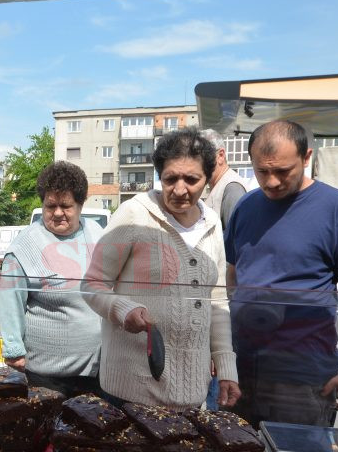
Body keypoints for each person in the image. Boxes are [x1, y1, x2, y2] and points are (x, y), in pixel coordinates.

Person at [225, 120, 338, 427]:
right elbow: (232, 275)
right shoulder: (245, 207)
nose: (271, 182)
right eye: (261, 171)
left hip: (303, 377)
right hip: (242, 369)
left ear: (306, 157)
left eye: (282, 171)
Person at [84, 128, 240, 410]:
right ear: (159, 176)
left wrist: (226, 367)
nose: (180, 189)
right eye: (170, 179)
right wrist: (121, 309)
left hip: (194, 394)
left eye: (192, 180)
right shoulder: (133, 214)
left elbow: (216, 301)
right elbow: (92, 284)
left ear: (207, 178)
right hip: (131, 392)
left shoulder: (213, 223)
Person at [0, 162, 106, 397]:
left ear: (80, 204)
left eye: (66, 205)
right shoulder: (23, 247)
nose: (58, 213)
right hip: (48, 378)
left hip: (100, 370)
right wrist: (14, 349)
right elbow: (10, 301)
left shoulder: (99, 234)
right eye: (51, 206)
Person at [200, 129, 248, 409]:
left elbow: (236, 257)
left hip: (223, 306)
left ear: (220, 155)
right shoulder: (215, 188)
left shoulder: (231, 189)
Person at [201, 129, 248, 230]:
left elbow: (235, 241)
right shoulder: (220, 185)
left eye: (202, 158)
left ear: (221, 156)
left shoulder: (232, 188)